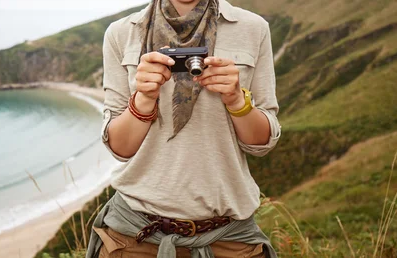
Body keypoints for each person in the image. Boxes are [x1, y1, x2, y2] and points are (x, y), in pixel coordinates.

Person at [86, 0, 281, 257]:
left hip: (228, 236)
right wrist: (143, 98)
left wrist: (236, 100)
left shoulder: (253, 28)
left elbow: (262, 143)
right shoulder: (121, 33)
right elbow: (120, 148)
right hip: (135, 237)